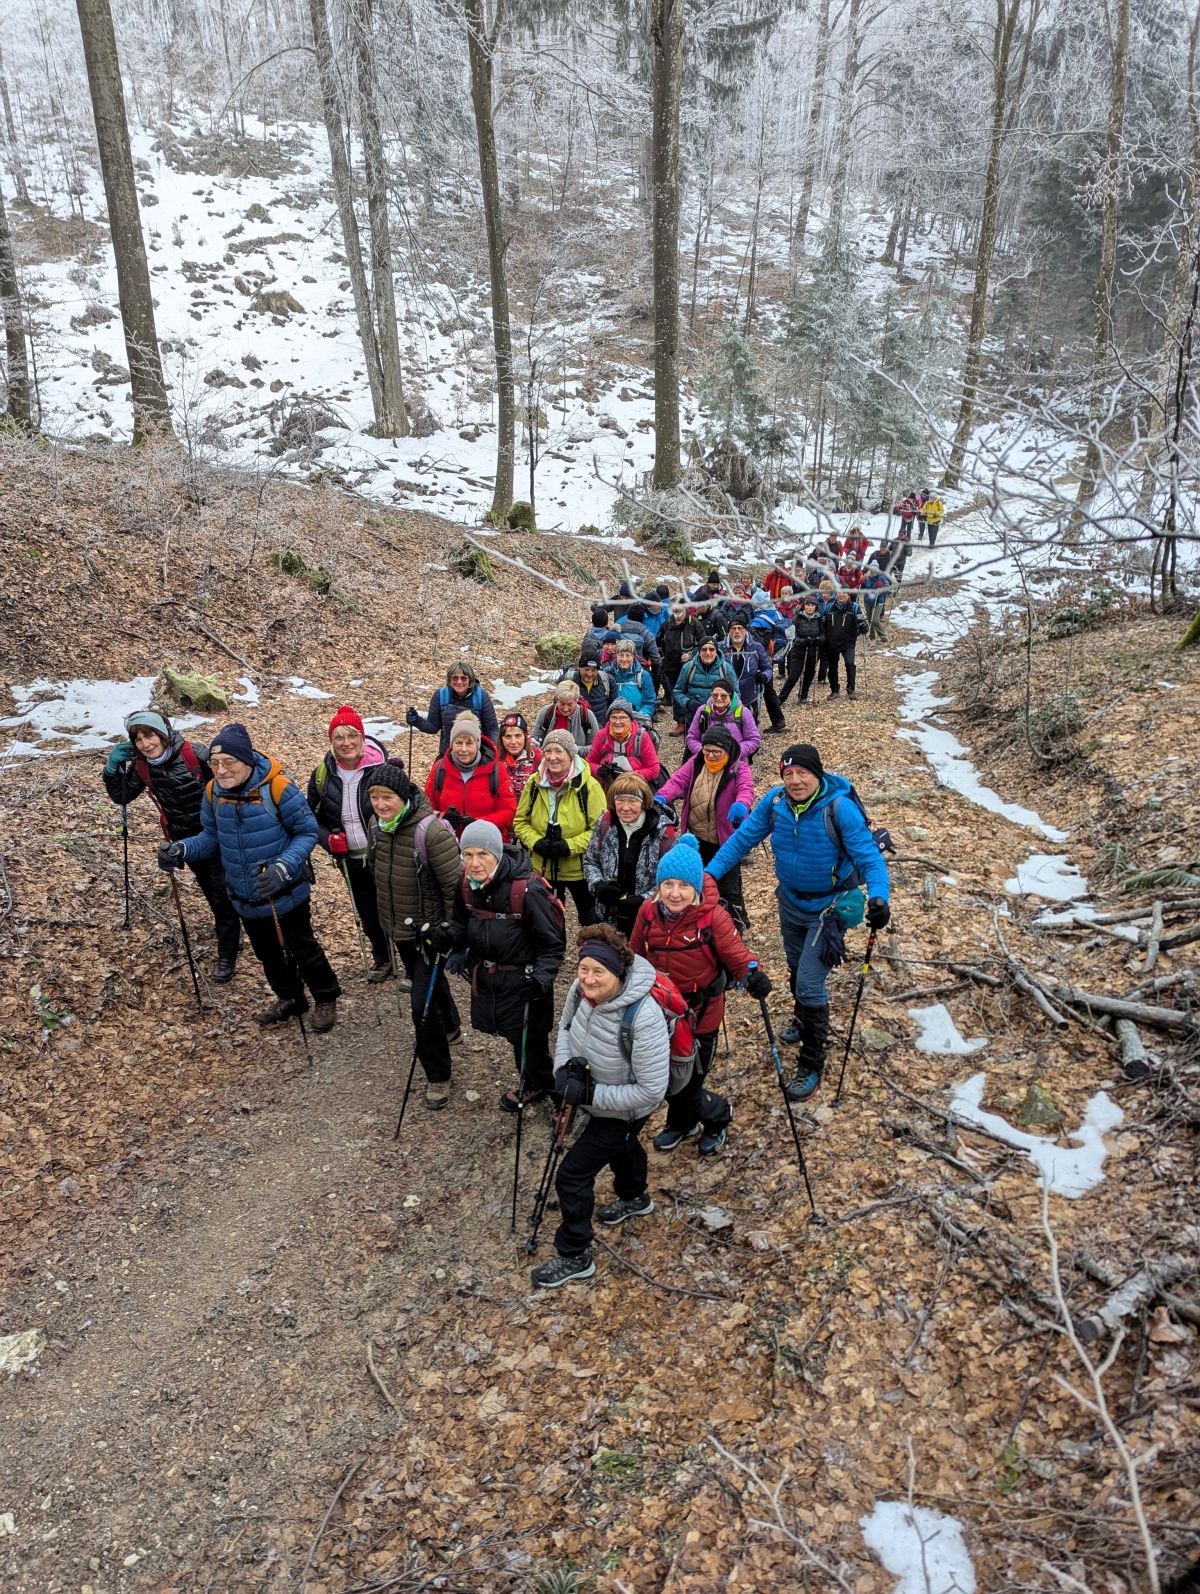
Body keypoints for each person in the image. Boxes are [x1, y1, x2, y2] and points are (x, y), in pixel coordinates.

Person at [702, 742, 890, 1101]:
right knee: (794, 965)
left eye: (802, 772)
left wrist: (879, 897)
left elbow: (869, 857)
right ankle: (803, 1020)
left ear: (816, 773)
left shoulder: (839, 809)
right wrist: (708, 875)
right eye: (788, 774)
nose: (795, 780)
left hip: (829, 907)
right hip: (790, 901)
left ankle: (812, 1061)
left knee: (808, 982)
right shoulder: (776, 802)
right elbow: (742, 840)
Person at [156, 722, 340, 1031]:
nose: (221, 770)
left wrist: (283, 867)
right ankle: (291, 998)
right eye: (215, 763)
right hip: (244, 894)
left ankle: (325, 997)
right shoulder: (213, 792)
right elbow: (210, 837)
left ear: (247, 760)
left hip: (285, 890)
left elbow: (307, 832)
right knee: (267, 953)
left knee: (301, 947)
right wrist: (181, 849)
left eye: (229, 762)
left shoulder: (278, 788)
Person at [532, 924, 670, 1288]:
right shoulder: (580, 990)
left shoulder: (643, 1016)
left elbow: (652, 1091)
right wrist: (564, 1071)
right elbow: (565, 1028)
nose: (589, 979)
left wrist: (590, 1096)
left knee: (572, 1176)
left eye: (599, 972)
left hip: (624, 1109)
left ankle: (575, 1254)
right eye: (584, 969)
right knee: (620, 1147)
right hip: (591, 1093)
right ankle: (635, 1197)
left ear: (618, 972)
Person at [631, 834, 771, 1154]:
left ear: (695, 887)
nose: (674, 893)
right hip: (660, 1012)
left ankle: (718, 1116)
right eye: (668, 884)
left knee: (690, 1082)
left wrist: (752, 974)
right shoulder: (648, 913)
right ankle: (683, 1124)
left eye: (683, 885)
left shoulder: (712, 917)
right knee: (665, 1076)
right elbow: (634, 955)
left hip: (701, 1014)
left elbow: (737, 956)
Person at [433, 819, 565, 1113]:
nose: (475, 863)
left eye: (483, 854)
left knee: (532, 1047)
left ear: (497, 854)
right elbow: (462, 926)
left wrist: (540, 979)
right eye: (468, 854)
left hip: (526, 984)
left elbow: (552, 945)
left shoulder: (527, 891)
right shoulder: (465, 886)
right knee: (516, 1040)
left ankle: (561, 1099)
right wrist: (449, 938)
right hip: (492, 983)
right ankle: (533, 1084)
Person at [104, 709, 241, 983]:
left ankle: (227, 952)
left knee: (221, 891)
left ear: (163, 733)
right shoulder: (142, 766)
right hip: (184, 838)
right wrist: (111, 769)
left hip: (218, 834)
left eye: (149, 735)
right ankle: (229, 930)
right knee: (208, 886)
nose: (146, 744)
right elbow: (122, 796)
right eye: (138, 739)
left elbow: (232, 782)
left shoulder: (195, 754)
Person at [366, 762, 463, 1110]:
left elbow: (454, 887)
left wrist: (448, 929)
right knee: (429, 984)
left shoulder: (431, 832)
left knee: (421, 1007)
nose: (380, 804)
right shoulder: (376, 827)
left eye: (387, 797)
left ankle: (438, 1075)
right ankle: (451, 1026)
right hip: (399, 930)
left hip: (429, 934)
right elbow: (377, 872)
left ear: (403, 796)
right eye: (374, 797)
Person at [306, 704, 396, 981]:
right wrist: (327, 840)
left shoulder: (380, 768)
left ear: (362, 738)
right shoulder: (322, 775)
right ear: (331, 741)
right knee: (368, 913)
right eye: (339, 737)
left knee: (398, 907)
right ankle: (383, 958)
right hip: (350, 858)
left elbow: (407, 808)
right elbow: (310, 817)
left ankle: (412, 961)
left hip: (387, 854)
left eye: (352, 735)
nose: (346, 743)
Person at [655, 723, 753, 929]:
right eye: (707, 750)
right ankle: (702, 924)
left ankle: (736, 925)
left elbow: (746, 789)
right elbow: (678, 781)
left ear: (727, 750)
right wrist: (662, 796)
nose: (711, 756)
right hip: (698, 836)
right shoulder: (696, 762)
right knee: (699, 882)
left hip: (726, 840)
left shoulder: (739, 768)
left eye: (717, 751)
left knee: (729, 887)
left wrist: (741, 804)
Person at [513, 728, 606, 924]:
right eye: (548, 751)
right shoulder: (534, 783)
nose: (552, 757)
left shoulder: (589, 786)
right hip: (543, 868)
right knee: (550, 921)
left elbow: (600, 830)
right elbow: (520, 822)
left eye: (558, 751)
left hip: (580, 869)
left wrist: (568, 846)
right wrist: (535, 842)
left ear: (570, 754)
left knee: (591, 919)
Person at [583, 772, 675, 938]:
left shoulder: (663, 834)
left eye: (633, 801)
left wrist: (644, 900)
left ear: (644, 802)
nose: (625, 807)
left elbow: (671, 879)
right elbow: (591, 860)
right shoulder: (605, 823)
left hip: (647, 919)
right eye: (620, 800)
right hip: (607, 916)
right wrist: (598, 885)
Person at [425, 713, 516, 840]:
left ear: (477, 744)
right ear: (451, 744)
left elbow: (508, 811)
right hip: (448, 841)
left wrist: (478, 823)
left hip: (486, 841)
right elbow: (426, 808)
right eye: (458, 743)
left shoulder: (496, 769)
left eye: (469, 743)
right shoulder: (440, 769)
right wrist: (442, 817)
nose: (463, 749)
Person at [406, 662, 499, 758]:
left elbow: (492, 730)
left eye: (463, 678)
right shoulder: (441, 695)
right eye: (454, 678)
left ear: (470, 680)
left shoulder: (481, 697)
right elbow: (433, 727)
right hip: (447, 754)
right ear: (449, 680)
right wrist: (416, 720)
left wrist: (491, 754)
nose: (459, 682)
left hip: (475, 755)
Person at [586, 698, 661, 791]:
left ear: (631, 720)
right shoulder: (601, 736)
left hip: (635, 789)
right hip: (607, 789)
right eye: (613, 717)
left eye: (623, 718)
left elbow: (654, 769)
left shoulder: (642, 737)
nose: (617, 722)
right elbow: (588, 763)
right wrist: (598, 770)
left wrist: (628, 776)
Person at [672, 636, 736, 734]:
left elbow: (736, 694)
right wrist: (688, 703)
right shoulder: (688, 668)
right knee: (693, 742)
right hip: (693, 717)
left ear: (717, 651)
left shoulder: (727, 669)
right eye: (704, 649)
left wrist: (725, 706)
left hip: (720, 719)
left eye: (711, 649)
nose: (708, 653)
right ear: (699, 651)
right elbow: (677, 692)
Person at [685, 680, 761, 762]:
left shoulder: (744, 712)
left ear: (730, 695)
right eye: (714, 695)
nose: (718, 698)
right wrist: (705, 752)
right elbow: (691, 738)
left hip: (735, 762)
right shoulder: (702, 710)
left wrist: (733, 752)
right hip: (706, 761)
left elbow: (754, 740)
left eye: (723, 696)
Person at [719, 619, 771, 723]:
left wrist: (764, 676)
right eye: (733, 629)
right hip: (726, 695)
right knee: (729, 725)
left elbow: (767, 668)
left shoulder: (756, 647)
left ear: (746, 631)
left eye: (740, 628)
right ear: (729, 632)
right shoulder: (720, 648)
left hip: (751, 694)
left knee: (750, 724)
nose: (737, 631)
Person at [777, 594, 824, 707]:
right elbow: (792, 635)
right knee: (793, 676)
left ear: (816, 607)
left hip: (813, 649)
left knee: (809, 674)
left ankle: (803, 696)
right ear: (804, 605)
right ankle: (780, 699)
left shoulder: (819, 618)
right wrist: (800, 640)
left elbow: (824, 633)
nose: (809, 607)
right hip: (799, 650)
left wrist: (819, 639)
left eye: (812, 605)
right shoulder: (797, 617)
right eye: (807, 605)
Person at [531, 679, 599, 754]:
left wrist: (578, 750)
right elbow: (535, 737)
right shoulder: (546, 712)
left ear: (576, 700)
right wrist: (534, 743)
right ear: (557, 700)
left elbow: (596, 747)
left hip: (577, 760)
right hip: (550, 758)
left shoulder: (587, 715)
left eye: (570, 704)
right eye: (562, 704)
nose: (565, 709)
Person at [660, 604, 705, 712]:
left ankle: (691, 717)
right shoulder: (666, 624)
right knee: (676, 696)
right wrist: (663, 659)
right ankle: (678, 718)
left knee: (689, 695)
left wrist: (691, 655)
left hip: (690, 668)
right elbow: (659, 643)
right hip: (671, 667)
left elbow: (703, 644)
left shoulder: (694, 624)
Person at [825, 589, 867, 699]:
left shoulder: (854, 607)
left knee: (850, 664)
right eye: (839, 593)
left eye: (844, 593)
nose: (841, 595)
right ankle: (834, 690)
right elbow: (823, 623)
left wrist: (863, 626)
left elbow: (861, 620)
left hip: (848, 642)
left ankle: (850, 689)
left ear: (848, 595)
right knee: (832, 667)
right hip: (832, 642)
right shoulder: (829, 607)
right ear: (836, 595)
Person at [602, 635, 656, 721]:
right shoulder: (607, 673)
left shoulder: (643, 675)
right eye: (621, 655)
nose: (624, 659)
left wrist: (641, 715)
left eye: (628, 655)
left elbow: (649, 701)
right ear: (616, 656)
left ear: (633, 656)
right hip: (612, 719)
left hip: (636, 719)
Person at [497, 712, 541, 802]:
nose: (513, 742)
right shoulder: (493, 758)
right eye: (508, 736)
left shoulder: (537, 757)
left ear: (525, 736)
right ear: (501, 739)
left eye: (518, 736)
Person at [860, 565, 890, 641]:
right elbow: (862, 588)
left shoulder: (881, 577)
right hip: (868, 601)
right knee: (870, 619)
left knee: (875, 619)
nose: (872, 570)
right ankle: (871, 636)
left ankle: (883, 636)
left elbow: (887, 590)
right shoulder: (867, 578)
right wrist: (861, 582)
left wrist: (881, 587)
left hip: (878, 601)